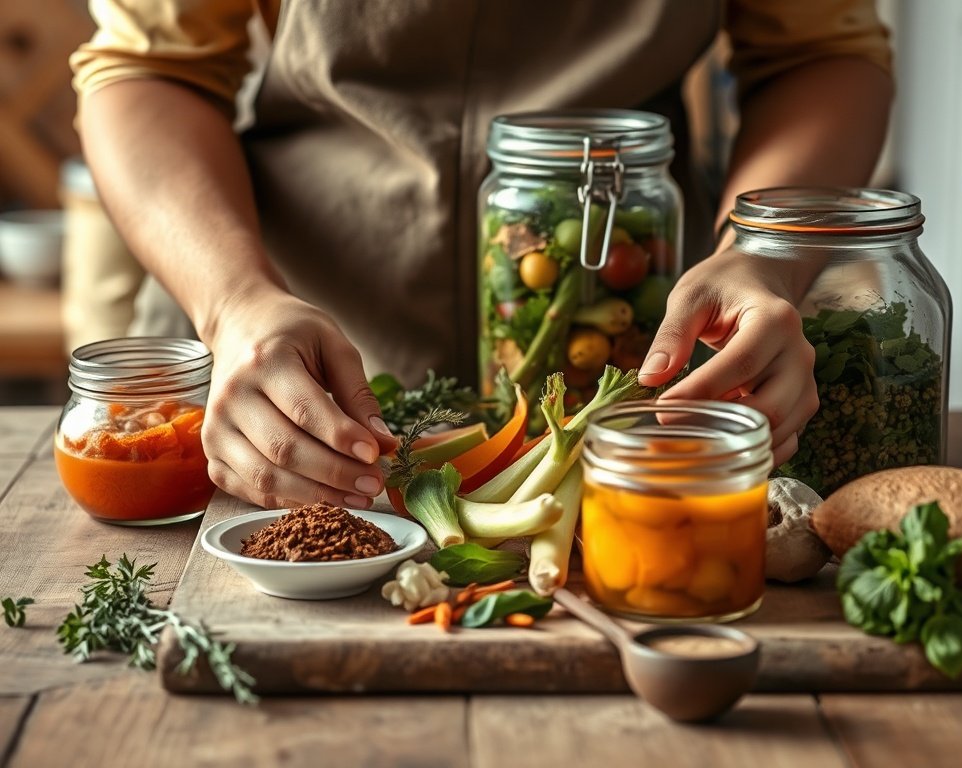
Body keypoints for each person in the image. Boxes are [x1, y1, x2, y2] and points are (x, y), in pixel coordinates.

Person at [70, 0, 893, 511]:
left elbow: (819, 52)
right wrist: (234, 301)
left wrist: (762, 252)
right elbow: (148, 66)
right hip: (289, 355)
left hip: (636, 370)